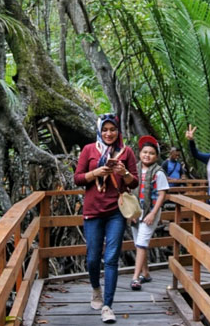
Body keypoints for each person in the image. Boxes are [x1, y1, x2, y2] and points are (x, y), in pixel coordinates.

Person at [74, 113, 138, 323]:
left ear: (118, 131)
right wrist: (95, 173)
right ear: (100, 131)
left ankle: (108, 306)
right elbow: (77, 178)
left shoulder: (126, 152)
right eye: (105, 130)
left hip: (116, 213)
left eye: (112, 130)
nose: (109, 133)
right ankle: (95, 289)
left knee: (111, 258)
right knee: (93, 258)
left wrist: (124, 172)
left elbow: (134, 182)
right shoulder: (88, 150)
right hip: (92, 211)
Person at [130, 136, 170, 291]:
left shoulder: (158, 172)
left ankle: (135, 278)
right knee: (139, 244)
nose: (147, 155)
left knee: (141, 243)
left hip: (150, 212)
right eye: (145, 152)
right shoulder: (135, 169)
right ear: (140, 153)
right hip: (136, 211)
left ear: (156, 156)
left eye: (151, 153)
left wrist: (153, 214)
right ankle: (145, 273)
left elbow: (162, 194)